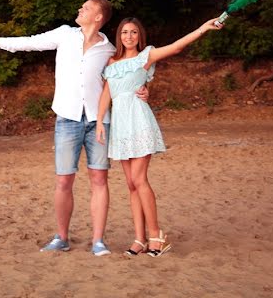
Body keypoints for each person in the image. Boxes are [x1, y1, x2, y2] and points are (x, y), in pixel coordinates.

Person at [0, 0, 148, 256]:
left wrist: (143, 89)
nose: (79, 9)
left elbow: (126, 71)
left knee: (99, 179)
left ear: (98, 17)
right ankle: (61, 237)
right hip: (67, 118)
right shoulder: (64, 34)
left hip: (99, 122)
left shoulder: (108, 49)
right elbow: (31, 42)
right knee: (63, 180)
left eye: (86, 8)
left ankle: (98, 241)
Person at [96, 14, 225, 257]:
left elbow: (177, 47)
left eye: (134, 32)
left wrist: (202, 28)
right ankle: (139, 239)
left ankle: (157, 236)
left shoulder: (146, 56)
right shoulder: (111, 62)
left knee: (139, 179)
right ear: (119, 36)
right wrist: (100, 122)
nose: (129, 36)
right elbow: (106, 94)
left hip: (140, 120)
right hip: (121, 124)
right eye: (125, 32)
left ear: (140, 36)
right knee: (131, 184)